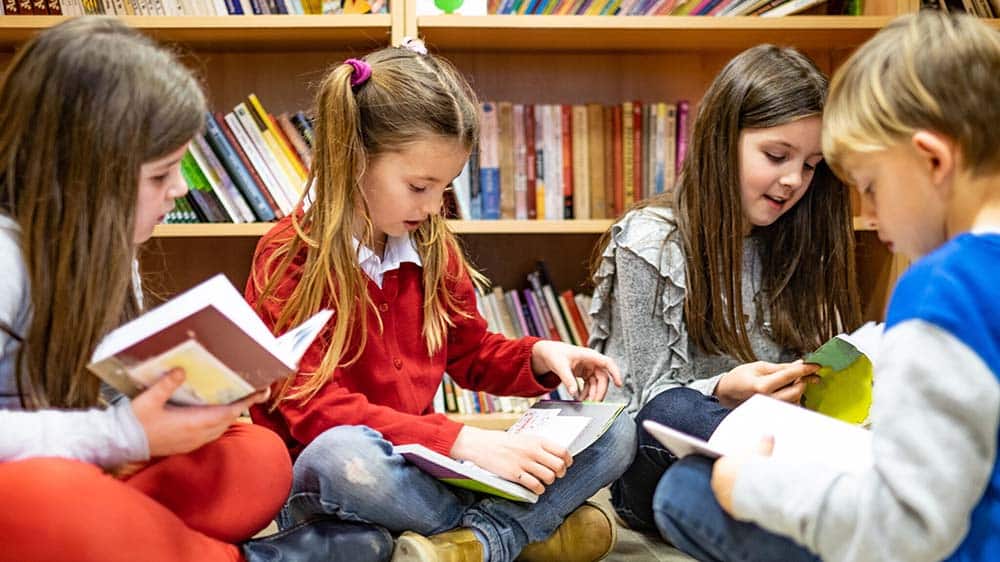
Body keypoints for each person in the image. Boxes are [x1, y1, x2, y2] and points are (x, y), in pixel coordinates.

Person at [0, 17, 392, 562]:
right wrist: (122, 434)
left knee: (258, 456)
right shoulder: (6, 258)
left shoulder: (105, 248)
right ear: (80, 176)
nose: (180, 189)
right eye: (160, 175)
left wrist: (204, 400)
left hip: (93, 464)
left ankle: (143, 541)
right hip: (35, 479)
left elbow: (111, 402)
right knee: (37, 498)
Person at [246, 40, 637, 562]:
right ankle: (519, 532)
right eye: (419, 187)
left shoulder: (430, 245)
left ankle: (471, 543)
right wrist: (460, 442)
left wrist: (541, 357)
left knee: (616, 428)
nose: (434, 208)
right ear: (353, 158)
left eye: (445, 188)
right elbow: (316, 412)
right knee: (343, 455)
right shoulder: (290, 256)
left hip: (430, 468)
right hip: (344, 475)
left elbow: (471, 353)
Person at [656, 12, 1000, 562]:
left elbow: (908, 528)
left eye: (872, 186)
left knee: (686, 492)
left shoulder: (941, 289)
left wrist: (756, 487)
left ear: (933, 160)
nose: (870, 214)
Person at [588, 43, 862, 542]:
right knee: (671, 412)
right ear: (721, 141)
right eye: (777, 156)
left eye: (811, 165)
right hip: (661, 456)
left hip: (773, 450)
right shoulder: (650, 241)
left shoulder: (804, 239)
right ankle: (819, 498)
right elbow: (647, 401)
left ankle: (791, 502)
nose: (793, 180)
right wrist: (723, 389)